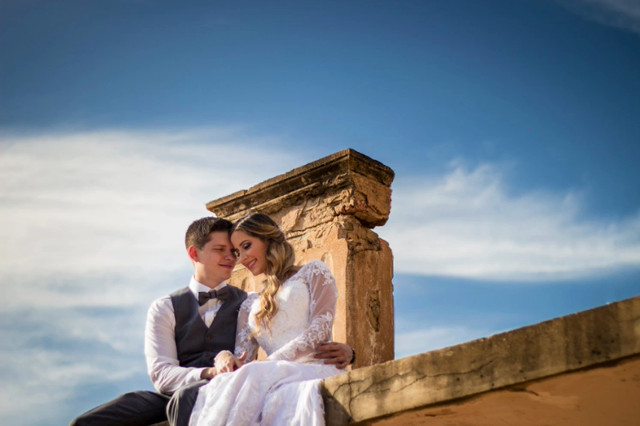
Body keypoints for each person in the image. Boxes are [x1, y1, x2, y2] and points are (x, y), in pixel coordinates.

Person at [71, 217, 353, 426]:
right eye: (224, 250)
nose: (234, 258)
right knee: (85, 423)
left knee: (186, 399)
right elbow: (162, 375)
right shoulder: (165, 307)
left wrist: (351, 352)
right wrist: (210, 370)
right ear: (195, 254)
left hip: (224, 388)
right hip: (182, 389)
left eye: (237, 250)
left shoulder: (246, 301)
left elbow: (257, 353)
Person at [188, 212, 346, 426]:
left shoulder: (313, 272)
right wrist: (224, 357)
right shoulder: (248, 305)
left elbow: (318, 331)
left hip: (314, 367)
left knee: (250, 377)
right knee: (221, 386)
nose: (241, 258)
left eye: (246, 246)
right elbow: (242, 358)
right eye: (237, 252)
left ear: (267, 239)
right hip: (270, 376)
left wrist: (270, 365)